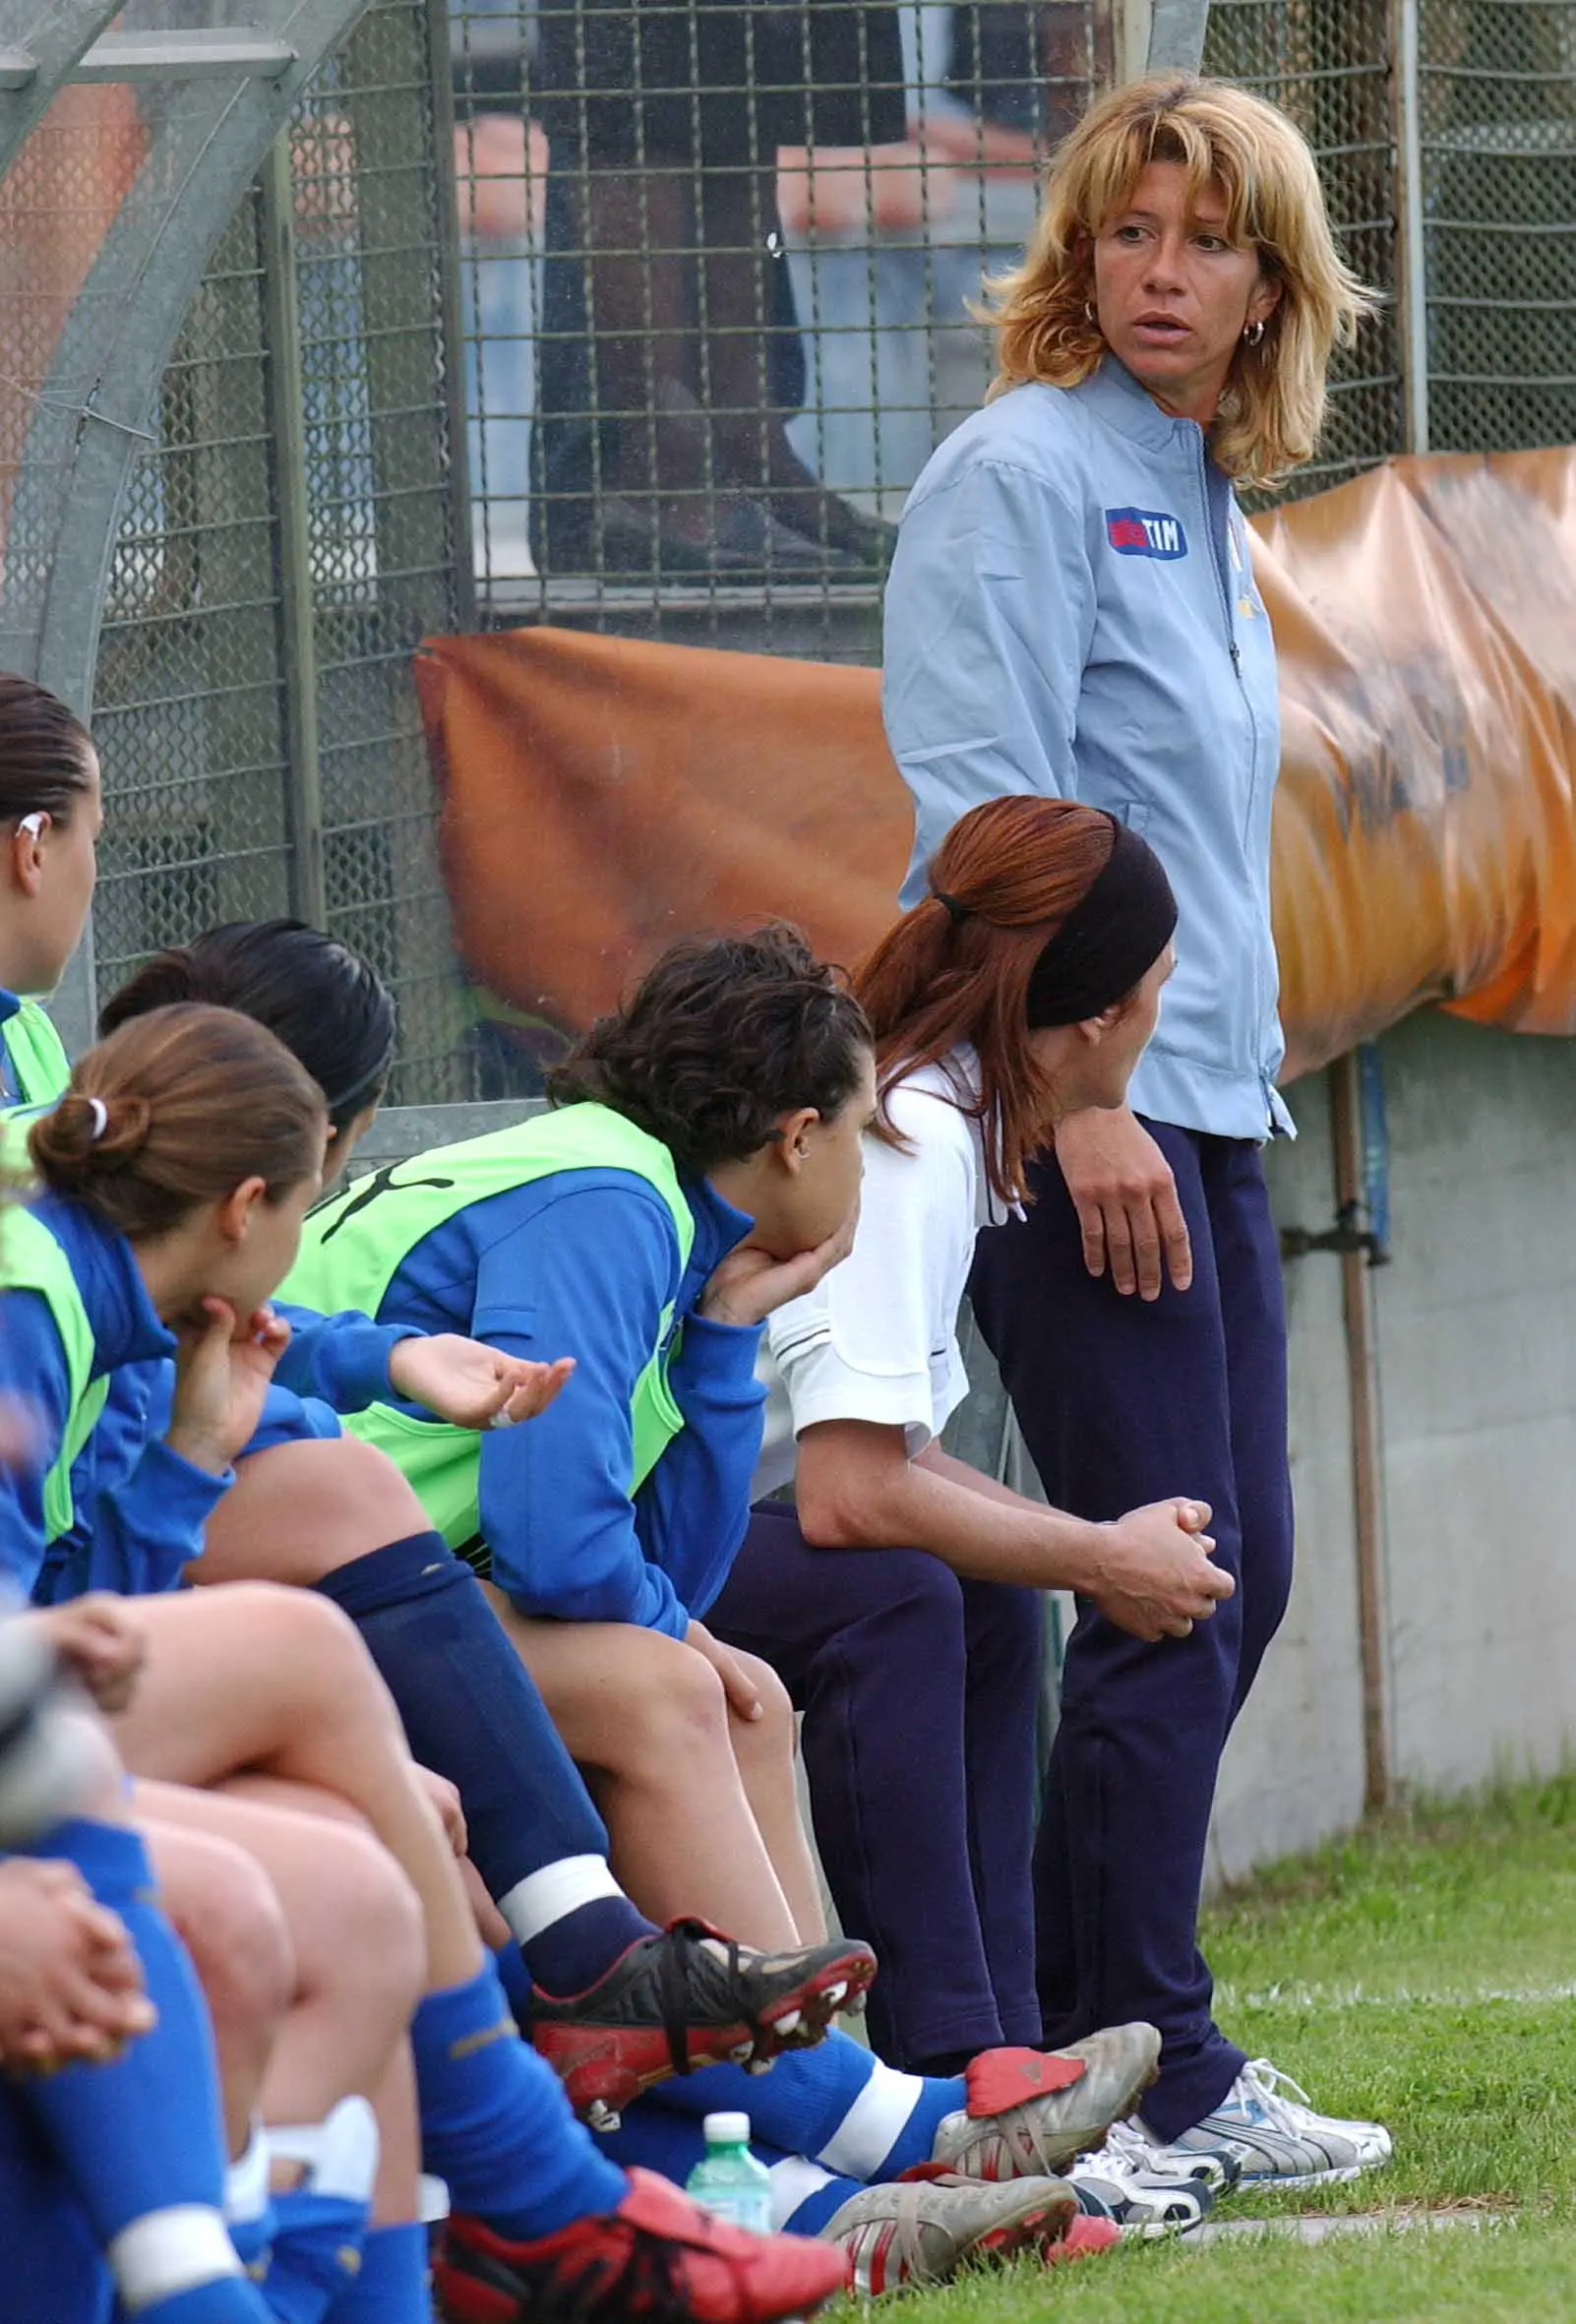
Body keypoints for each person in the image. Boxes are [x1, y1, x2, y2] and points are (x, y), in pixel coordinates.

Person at [0, 1003, 855, 2324]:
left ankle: (596, 2163)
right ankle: (602, 2152)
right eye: (309, 1206)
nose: (303, 1264)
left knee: (366, 1876)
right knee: (320, 1679)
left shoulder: (111, 1289)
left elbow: (88, 1607)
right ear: (243, 1209)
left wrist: (202, 1452)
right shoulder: (34, 1299)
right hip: (32, 1745)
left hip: (45, 1721)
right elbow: (565, 1546)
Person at [880, 71, 1392, 2184]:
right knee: (1175, 1573)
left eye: (1208, 238)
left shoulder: (1195, 490)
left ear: (1276, 276)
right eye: (1129, 230)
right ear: (1079, 252)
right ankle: (1143, 2066)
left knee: (1232, 1572)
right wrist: (1075, 1101)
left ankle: (1115, 2046)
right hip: (1089, 1114)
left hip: (1211, 1096)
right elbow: (986, 813)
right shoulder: (1018, 473)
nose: (1162, 272)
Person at [97, 921, 879, 2117]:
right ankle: (827, 2127)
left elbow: (661, 1565)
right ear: (798, 1134)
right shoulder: (608, 1200)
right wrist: (677, 1626)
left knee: (741, 1692)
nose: (866, 1171)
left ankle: (839, 2106)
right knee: (677, 1688)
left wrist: (724, 1341)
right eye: (864, 1133)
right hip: (290, 1574)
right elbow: (559, 1543)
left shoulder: (656, 1218)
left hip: (360, 1580)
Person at [713, 800, 1227, 2099]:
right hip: (614, 1546)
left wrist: (1077, 1555)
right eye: (1160, 984)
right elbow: (843, 1496)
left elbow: (891, 1461)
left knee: (984, 1579)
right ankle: (948, 2076)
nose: (1163, 1009)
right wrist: (1101, 1555)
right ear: (1102, 1014)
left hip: (706, 1524)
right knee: (895, 1586)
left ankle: (1013, 2055)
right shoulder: (915, 1139)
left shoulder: (941, 1124)